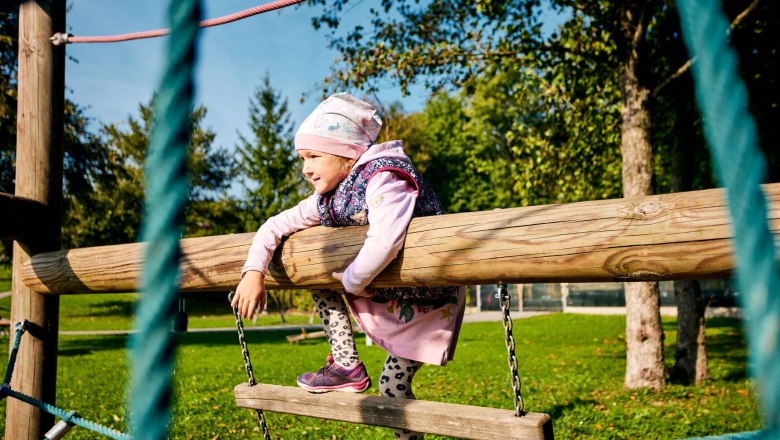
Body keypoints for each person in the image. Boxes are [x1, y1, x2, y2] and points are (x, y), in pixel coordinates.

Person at [231, 92, 465, 440]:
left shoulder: (384, 177)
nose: (305, 168)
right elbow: (273, 226)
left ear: (346, 154)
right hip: (387, 293)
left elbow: (386, 238)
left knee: (392, 386)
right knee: (317, 278)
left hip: (428, 298)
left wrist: (352, 281)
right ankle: (346, 364)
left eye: (314, 156)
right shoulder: (329, 197)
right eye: (302, 158)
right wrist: (253, 272)